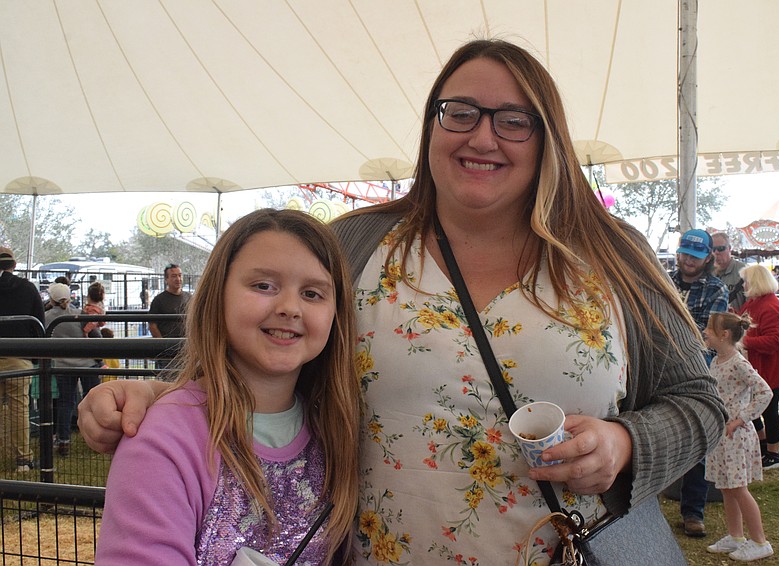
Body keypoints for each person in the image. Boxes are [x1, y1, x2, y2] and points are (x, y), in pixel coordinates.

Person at [79, 39, 725, 565]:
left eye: (514, 120)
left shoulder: (612, 254)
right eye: (461, 112)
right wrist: (167, 396)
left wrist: (625, 443)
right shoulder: (355, 245)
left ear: (547, 136)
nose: (483, 137)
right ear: (432, 125)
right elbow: (267, 352)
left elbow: (701, 403)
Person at [96, 209, 360, 565]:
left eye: (312, 294)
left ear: (335, 313)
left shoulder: (336, 433)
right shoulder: (162, 440)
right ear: (217, 296)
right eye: (263, 286)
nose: (289, 308)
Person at [670, 228, 729, 538]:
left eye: (694, 256)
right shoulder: (662, 280)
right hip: (658, 365)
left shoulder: (718, 289)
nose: (687, 260)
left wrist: (672, 333)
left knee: (697, 441)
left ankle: (693, 512)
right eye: (684, 253)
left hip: (695, 370)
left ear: (707, 257)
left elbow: (708, 336)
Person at [703, 312, 774, 561]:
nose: (705, 332)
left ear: (724, 335)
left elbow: (764, 393)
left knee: (739, 489)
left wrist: (741, 419)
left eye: (709, 329)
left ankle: (759, 541)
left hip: (735, 436)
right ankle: (735, 537)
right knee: (726, 488)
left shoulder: (738, 363)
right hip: (722, 435)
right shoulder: (716, 361)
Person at [737, 264, 779, 471]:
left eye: (746, 281)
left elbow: (773, 342)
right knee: (755, 409)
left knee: (769, 410)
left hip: (771, 368)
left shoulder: (770, 306)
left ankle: (774, 453)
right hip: (759, 367)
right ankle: (764, 446)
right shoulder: (756, 302)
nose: (743, 285)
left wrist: (744, 342)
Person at [44, 282, 102, 457]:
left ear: (51, 298)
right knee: (92, 402)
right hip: (87, 364)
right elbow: (96, 336)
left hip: (63, 366)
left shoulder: (45, 317)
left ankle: (63, 441)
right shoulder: (79, 314)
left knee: (65, 404)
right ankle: (96, 440)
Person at [0, 246, 45, 472]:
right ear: (14, 265)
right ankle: (23, 460)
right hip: (20, 358)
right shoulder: (28, 288)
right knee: (20, 409)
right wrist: (36, 356)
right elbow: (39, 323)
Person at [148, 263, 192, 371]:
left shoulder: (189, 297)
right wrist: (162, 344)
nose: (178, 279)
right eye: (173, 276)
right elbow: (152, 325)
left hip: (186, 348)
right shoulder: (159, 300)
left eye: (179, 275)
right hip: (168, 351)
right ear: (166, 279)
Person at [711, 231, 746, 312]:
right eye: (713, 249)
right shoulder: (706, 272)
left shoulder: (744, 271)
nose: (716, 252)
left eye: (721, 249)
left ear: (729, 248)